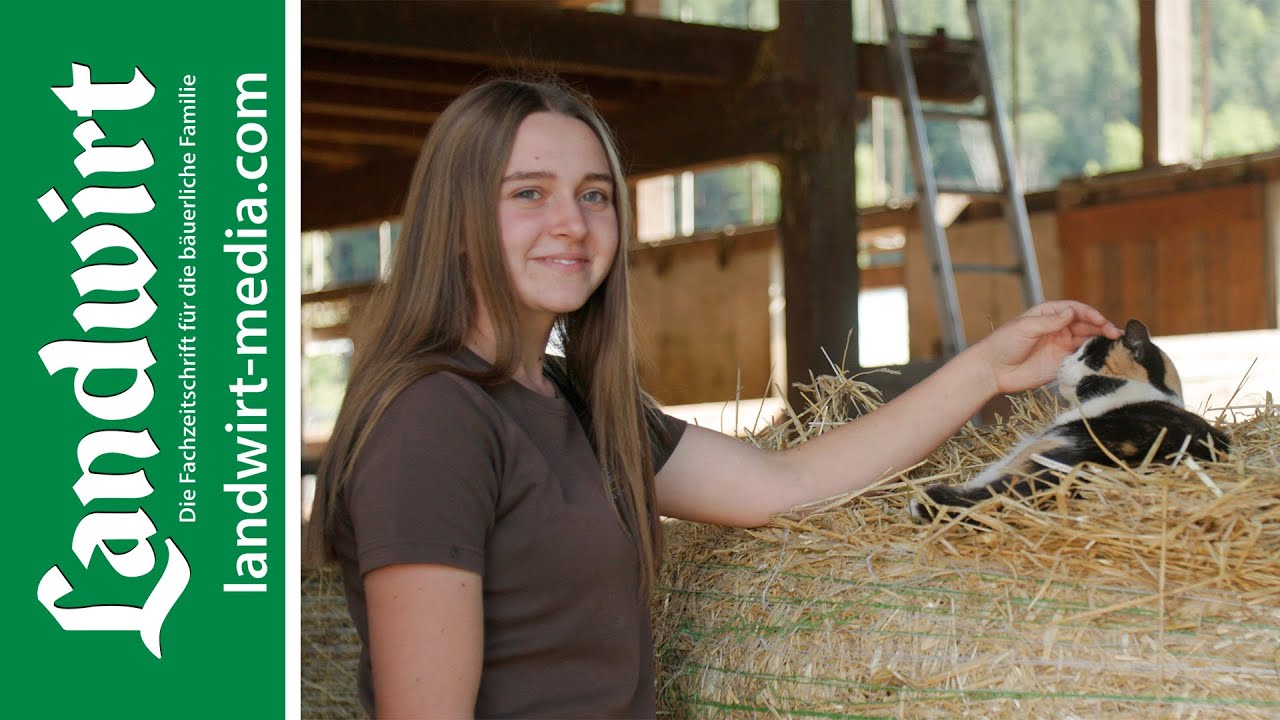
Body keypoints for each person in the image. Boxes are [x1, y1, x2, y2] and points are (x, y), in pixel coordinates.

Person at [305, 76, 1121, 719]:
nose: (573, 224)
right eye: (529, 193)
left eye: (595, 195)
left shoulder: (577, 402)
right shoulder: (433, 421)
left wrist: (987, 367)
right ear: (455, 222)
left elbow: (783, 486)